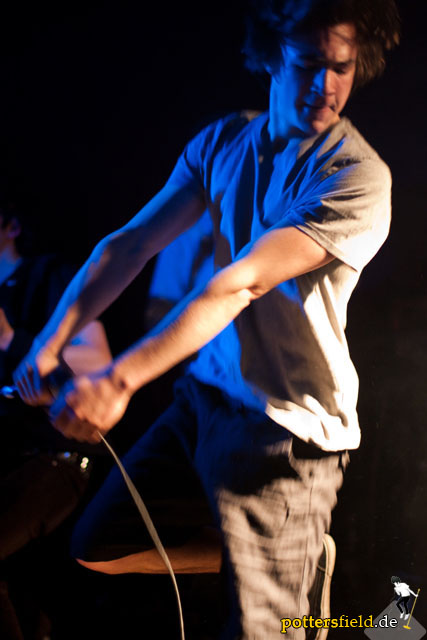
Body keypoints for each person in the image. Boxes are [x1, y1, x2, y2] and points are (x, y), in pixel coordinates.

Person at [13, 0, 400, 637]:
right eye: (309, 63)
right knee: (99, 545)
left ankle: (285, 571)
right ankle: (278, 564)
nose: (326, 85)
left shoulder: (356, 177)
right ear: (271, 55)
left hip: (286, 433)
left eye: (342, 68)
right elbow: (129, 244)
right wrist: (49, 343)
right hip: (207, 402)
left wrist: (117, 380)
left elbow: (241, 283)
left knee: (261, 630)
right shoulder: (224, 142)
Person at [0, 203, 112, 639]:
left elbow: (97, 360)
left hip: (54, 457)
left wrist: (11, 339)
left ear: (11, 226)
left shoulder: (47, 277)